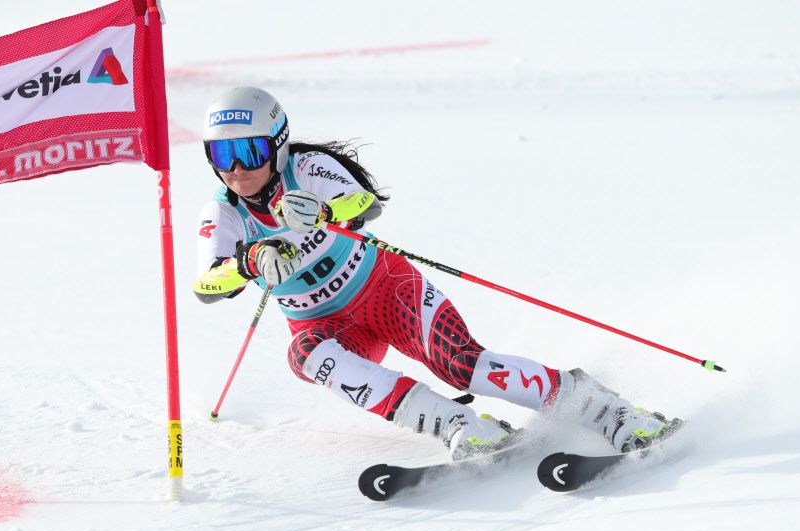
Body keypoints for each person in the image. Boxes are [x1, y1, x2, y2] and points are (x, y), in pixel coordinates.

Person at [194, 86, 674, 459]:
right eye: (221, 156)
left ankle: (610, 411)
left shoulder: (309, 167)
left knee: (461, 364)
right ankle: (460, 426)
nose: (236, 169)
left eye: (249, 153)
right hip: (325, 324)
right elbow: (206, 285)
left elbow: (364, 204)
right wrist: (247, 261)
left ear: (277, 147)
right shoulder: (225, 211)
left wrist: (323, 210)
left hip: (385, 291)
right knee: (304, 355)